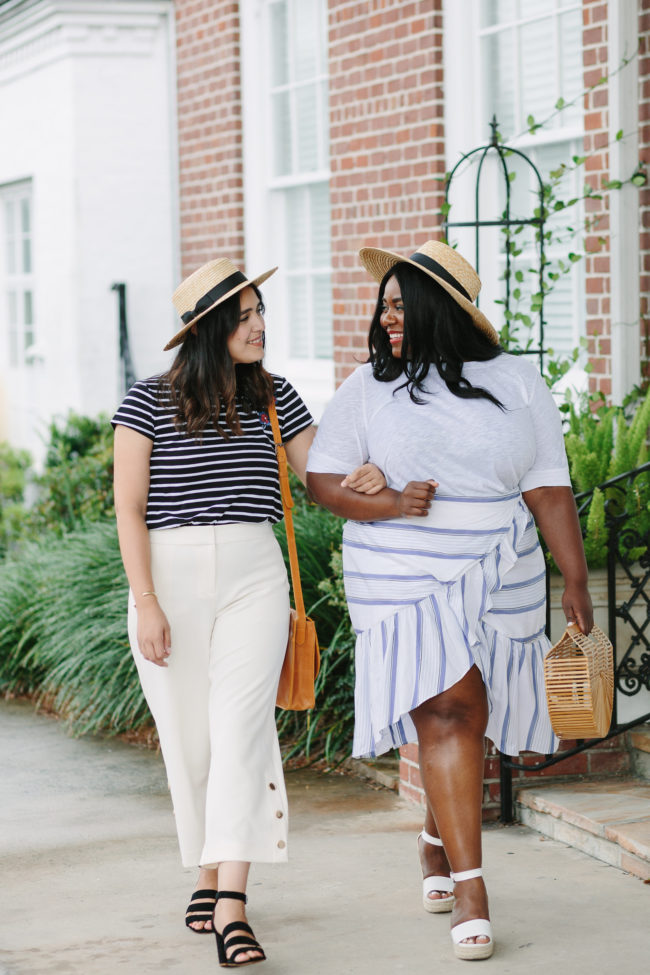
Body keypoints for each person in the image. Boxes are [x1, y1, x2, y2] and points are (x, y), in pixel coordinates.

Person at [306, 239, 593, 962]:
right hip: (402, 564)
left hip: (503, 563)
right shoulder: (370, 386)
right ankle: (473, 887)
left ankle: (438, 834)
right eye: (385, 306)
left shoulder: (518, 380)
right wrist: (395, 502)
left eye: (401, 305)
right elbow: (322, 480)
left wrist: (577, 577)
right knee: (447, 707)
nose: (387, 318)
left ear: (442, 308)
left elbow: (548, 483)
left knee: (475, 711)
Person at [112, 257, 385, 967]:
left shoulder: (276, 397)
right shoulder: (145, 402)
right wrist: (145, 602)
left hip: (254, 574)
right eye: (244, 316)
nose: (260, 325)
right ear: (207, 329)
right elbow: (128, 511)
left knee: (240, 730)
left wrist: (367, 472)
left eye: (262, 311)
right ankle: (210, 868)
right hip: (166, 576)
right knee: (192, 740)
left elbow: (318, 477)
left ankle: (231, 898)